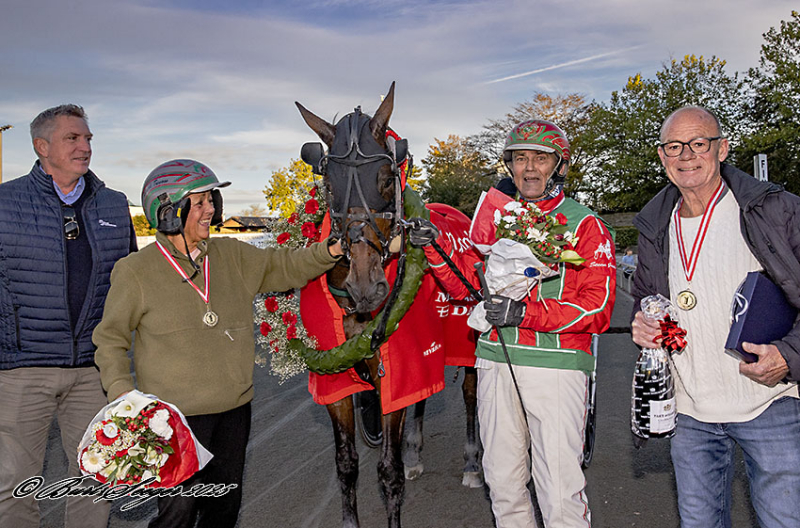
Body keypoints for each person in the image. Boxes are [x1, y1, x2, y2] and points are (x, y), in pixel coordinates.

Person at [92, 159, 343, 528]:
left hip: (233, 410)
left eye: (213, 199)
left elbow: (285, 266)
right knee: (177, 513)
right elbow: (109, 340)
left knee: (224, 507)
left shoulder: (233, 256)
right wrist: (124, 396)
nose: (211, 208)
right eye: (200, 201)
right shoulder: (135, 271)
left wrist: (331, 251)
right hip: (171, 419)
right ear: (167, 212)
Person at [411, 119, 616, 527]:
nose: (529, 167)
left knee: (558, 491)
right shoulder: (496, 221)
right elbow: (469, 285)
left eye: (540, 158)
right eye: (520, 158)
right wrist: (434, 246)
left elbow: (599, 307)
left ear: (559, 165)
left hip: (556, 368)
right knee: (502, 483)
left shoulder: (584, 224)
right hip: (495, 361)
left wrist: (526, 314)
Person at [630, 106, 800, 528]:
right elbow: (646, 298)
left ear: (722, 148)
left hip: (770, 401)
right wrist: (642, 322)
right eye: (674, 146)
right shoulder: (654, 224)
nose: (686, 155)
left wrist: (791, 354)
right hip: (690, 408)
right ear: (661, 155)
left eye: (698, 143)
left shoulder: (775, 210)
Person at [0, 104, 136, 528]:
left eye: (88, 138)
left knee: (97, 478)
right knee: (13, 483)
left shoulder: (114, 205)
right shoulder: (5, 203)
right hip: (23, 368)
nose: (85, 146)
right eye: (73, 138)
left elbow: (134, 283)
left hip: (94, 371)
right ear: (42, 147)